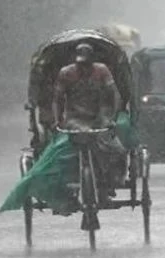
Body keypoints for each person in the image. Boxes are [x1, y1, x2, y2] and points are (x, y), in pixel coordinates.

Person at [52, 42, 125, 195]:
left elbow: (115, 95)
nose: (83, 69)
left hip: (99, 116)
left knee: (118, 150)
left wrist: (113, 118)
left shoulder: (102, 71)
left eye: (86, 64)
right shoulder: (66, 73)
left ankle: (113, 177)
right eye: (80, 64)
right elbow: (58, 99)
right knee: (81, 135)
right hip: (75, 118)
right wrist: (57, 120)